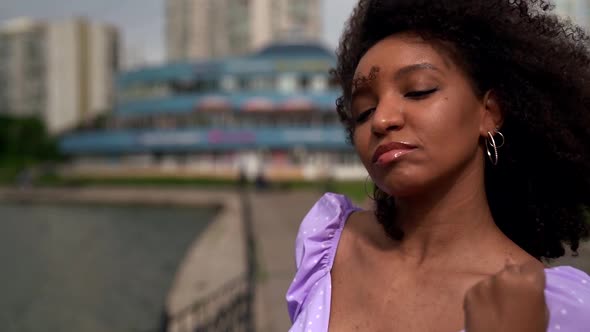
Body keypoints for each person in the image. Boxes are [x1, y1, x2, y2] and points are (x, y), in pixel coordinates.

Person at [286, 0, 590, 331]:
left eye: (418, 91)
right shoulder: (327, 247)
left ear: (489, 113)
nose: (382, 120)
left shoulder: (555, 306)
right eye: (364, 111)